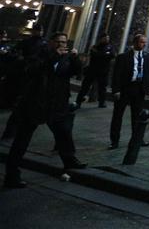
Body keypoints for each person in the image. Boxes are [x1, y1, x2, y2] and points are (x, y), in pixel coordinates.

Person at [3, 32, 86, 188]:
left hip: (56, 104)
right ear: (51, 43)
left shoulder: (66, 57)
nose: (62, 45)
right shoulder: (42, 55)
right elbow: (33, 70)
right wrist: (54, 56)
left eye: (64, 42)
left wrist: (75, 58)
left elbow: (75, 72)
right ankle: (12, 174)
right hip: (35, 103)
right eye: (59, 42)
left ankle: (70, 160)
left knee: (63, 132)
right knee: (22, 139)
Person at [109, 33, 149, 149]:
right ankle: (114, 141)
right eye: (141, 42)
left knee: (138, 116)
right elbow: (117, 75)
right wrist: (116, 90)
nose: (143, 44)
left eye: (144, 42)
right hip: (125, 88)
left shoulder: (147, 57)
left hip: (139, 89)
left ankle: (137, 139)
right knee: (118, 115)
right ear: (135, 43)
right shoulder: (123, 57)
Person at [76, 33, 114, 108]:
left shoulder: (110, 47)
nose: (107, 39)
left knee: (102, 88)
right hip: (92, 70)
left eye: (108, 38)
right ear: (101, 39)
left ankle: (101, 102)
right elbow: (95, 55)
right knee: (85, 86)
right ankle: (78, 101)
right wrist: (104, 54)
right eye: (105, 38)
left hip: (103, 71)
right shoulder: (95, 47)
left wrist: (101, 55)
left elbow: (112, 55)